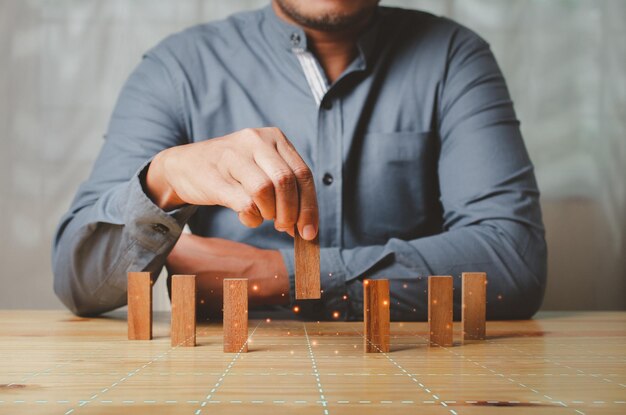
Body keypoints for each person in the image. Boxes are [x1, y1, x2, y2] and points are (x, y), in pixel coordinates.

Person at [52, 0, 547, 321]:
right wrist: (165, 180)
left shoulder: (454, 57)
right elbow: (80, 284)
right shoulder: (176, 68)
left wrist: (273, 273)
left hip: (414, 368)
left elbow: (512, 263)